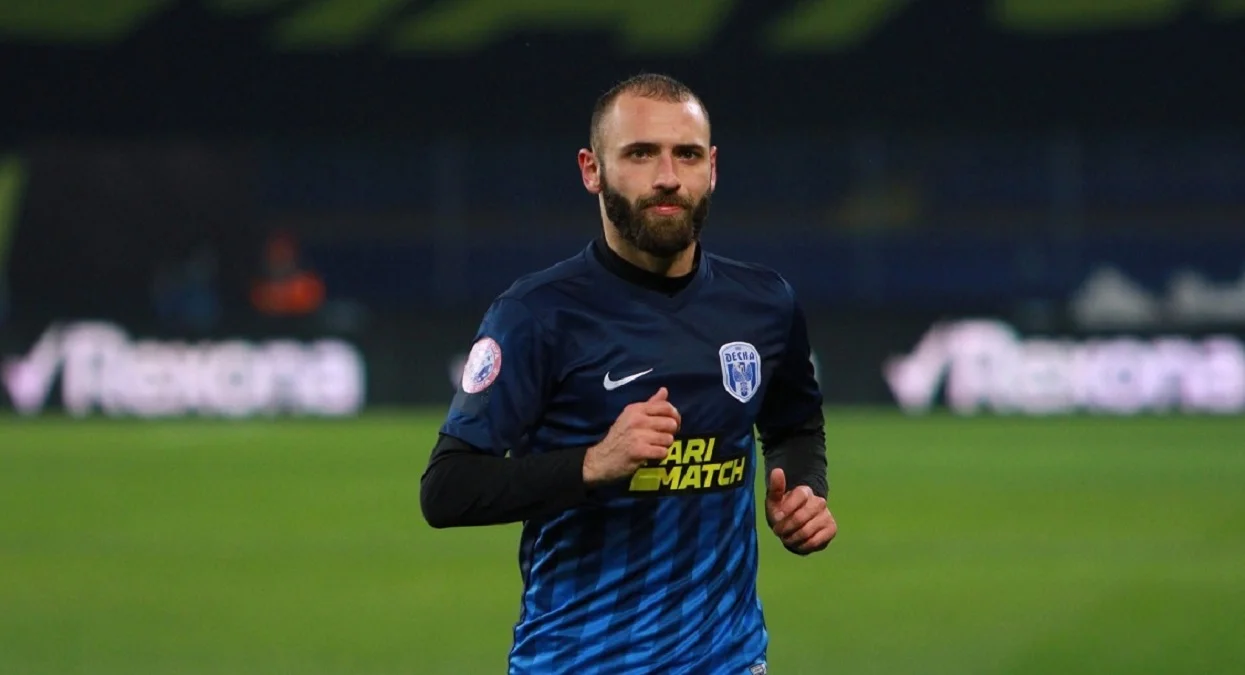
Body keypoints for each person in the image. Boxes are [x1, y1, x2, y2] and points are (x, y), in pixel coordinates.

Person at [420, 73, 837, 675]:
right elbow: (446, 489)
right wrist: (593, 464)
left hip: (729, 660)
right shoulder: (537, 315)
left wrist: (802, 492)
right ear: (592, 170)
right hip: (577, 661)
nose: (667, 176)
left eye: (686, 154)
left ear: (712, 168)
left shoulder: (765, 304)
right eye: (640, 154)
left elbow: (794, 426)